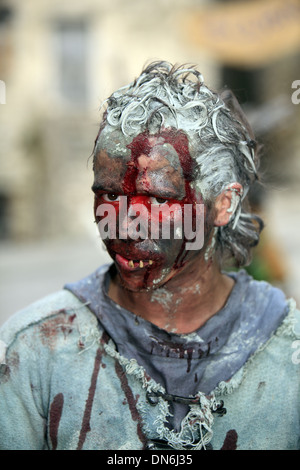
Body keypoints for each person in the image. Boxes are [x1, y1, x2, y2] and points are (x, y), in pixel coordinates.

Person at [0, 61, 299, 451]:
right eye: (108, 194)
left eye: (158, 199)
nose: (123, 225)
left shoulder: (288, 356)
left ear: (225, 202)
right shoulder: (35, 351)